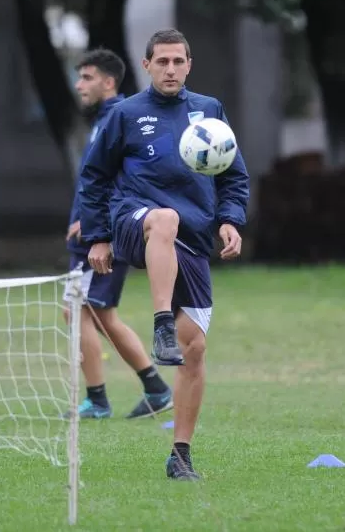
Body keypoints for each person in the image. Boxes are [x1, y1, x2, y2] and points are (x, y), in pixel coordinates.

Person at [78, 28, 249, 480]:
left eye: (178, 61)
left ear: (188, 65)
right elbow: (94, 177)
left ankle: (180, 456)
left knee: (194, 349)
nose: (170, 69)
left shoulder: (209, 111)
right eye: (162, 62)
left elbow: (233, 175)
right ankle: (159, 325)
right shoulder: (126, 114)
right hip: (135, 221)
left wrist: (230, 219)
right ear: (147, 64)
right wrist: (98, 236)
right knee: (164, 219)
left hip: (191, 238)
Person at [64, 48, 173, 420]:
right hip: (89, 236)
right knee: (96, 314)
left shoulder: (121, 117)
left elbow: (130, 174)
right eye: (79, 77)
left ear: (109, 82)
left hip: (101, 237)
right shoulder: (105, 118)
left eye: (88, 77)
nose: (79, 85)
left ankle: (98, 400)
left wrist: (99, 223)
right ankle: (155, 388)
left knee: (81, 310)